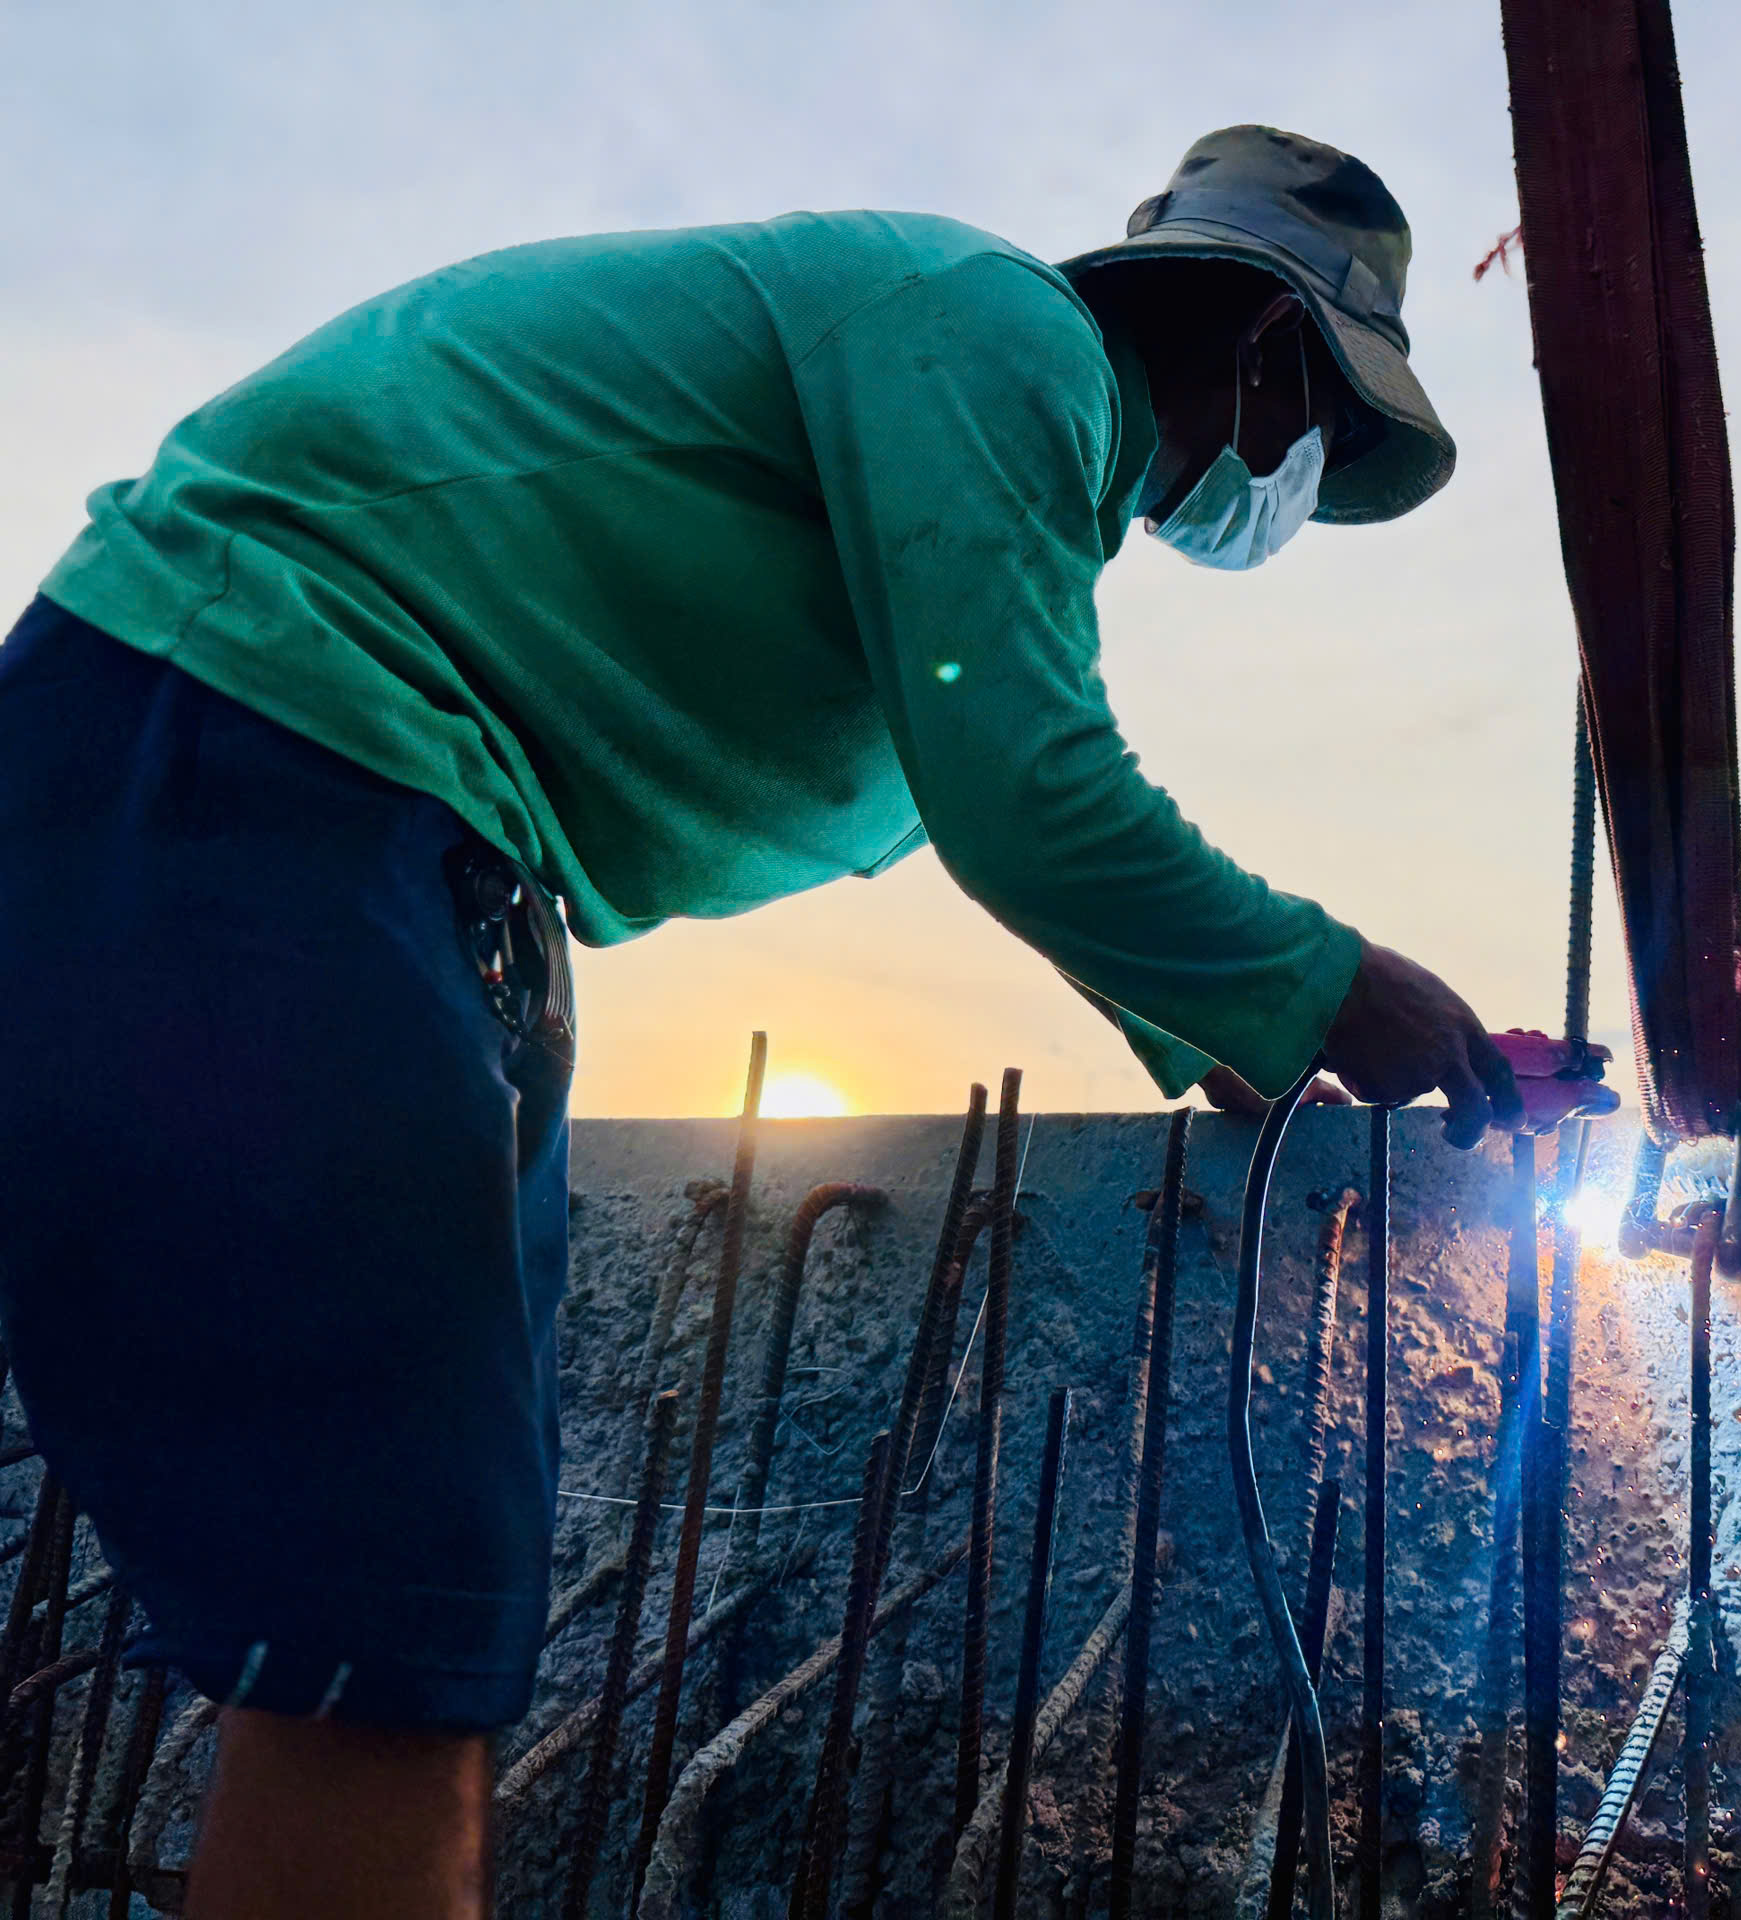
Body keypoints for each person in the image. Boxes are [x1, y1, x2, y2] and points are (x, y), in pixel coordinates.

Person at [0, 125, 1516, 1914]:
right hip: (266, 760)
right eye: (1322, 435)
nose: (1300, 483)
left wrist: (1229, 1036)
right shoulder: (998, 335)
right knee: (386, 1617)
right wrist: (1344, 985)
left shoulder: (998, 475)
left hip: (366, 838)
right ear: (1271, 352)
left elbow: (989, 804)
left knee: (411, 1593)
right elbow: (1025, 792)